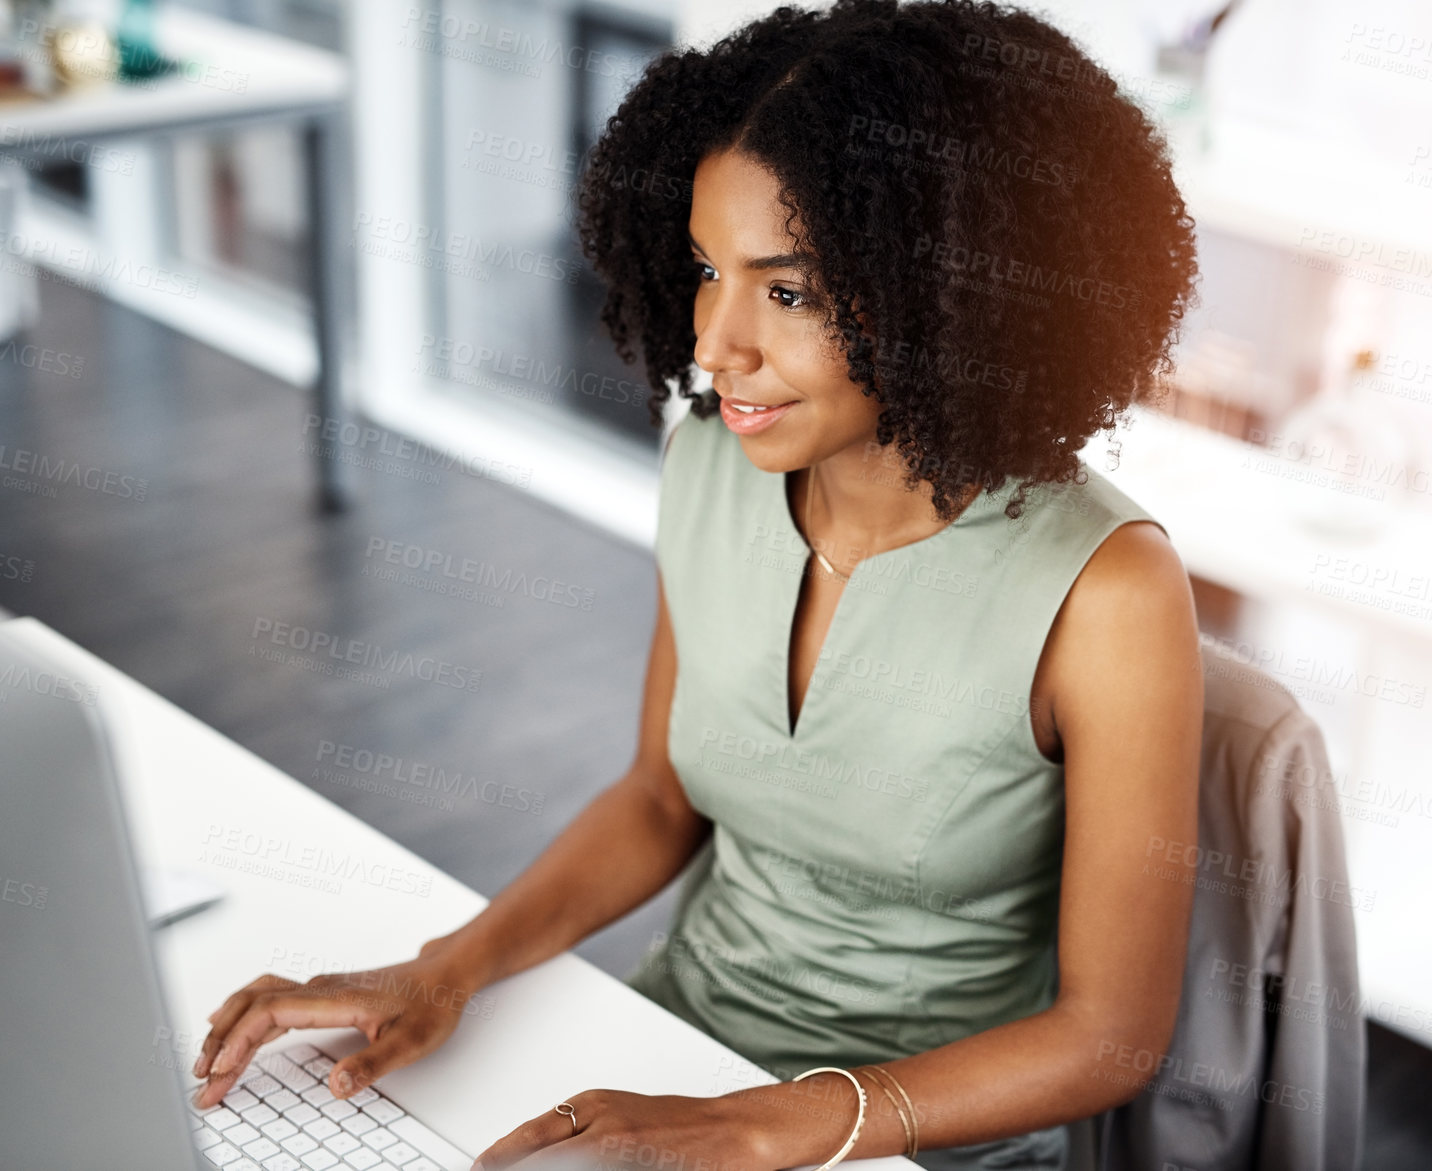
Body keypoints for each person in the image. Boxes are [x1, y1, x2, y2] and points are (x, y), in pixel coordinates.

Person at [189, 2, 1204, 1168]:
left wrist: (773, 1122)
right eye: (707, 269)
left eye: (789, 290)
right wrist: (444, 969)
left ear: (955, 289)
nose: (716, 344)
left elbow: (1111, 1037)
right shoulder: (712, 462)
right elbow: (660, 798)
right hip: (672, 1048)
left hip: (911, 1134)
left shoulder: (1110, 592)